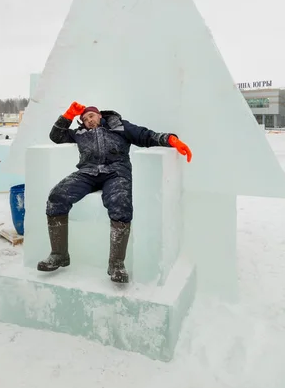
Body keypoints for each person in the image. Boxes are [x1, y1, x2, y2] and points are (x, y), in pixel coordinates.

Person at [37, 102, 192, 283]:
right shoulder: (79, 133)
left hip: (116, 172)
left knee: (120, 203)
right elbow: (56, 136)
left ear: (99, 115)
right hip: (87, 173)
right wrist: (68, 115)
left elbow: (145, 136)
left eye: (91, 116)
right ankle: (59, 254)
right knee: (57, 196)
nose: (89, 121)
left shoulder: (119, 126)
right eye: (85, 119)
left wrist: (171, 140)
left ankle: (116, 264)